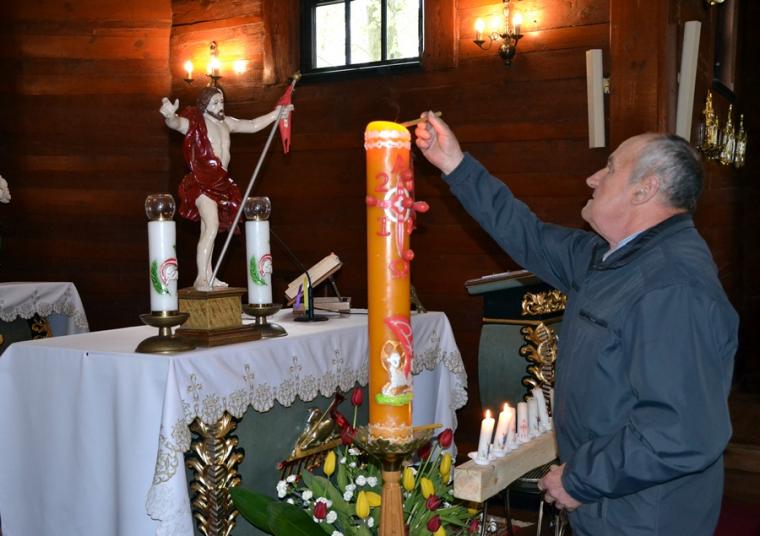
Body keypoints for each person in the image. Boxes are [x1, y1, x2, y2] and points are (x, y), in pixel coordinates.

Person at [414, 111, 738, 535]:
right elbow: (526, 233)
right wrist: (455, 164)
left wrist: (580, 479)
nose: (593, 178)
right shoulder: (611, 257)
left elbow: (680, 430)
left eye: (610, 168)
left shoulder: (672, 286)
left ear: (645, 188)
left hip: (643, 514)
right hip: (610, 502)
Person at [159, 87, 291, 290]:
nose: (220, 106)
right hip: (201, 183)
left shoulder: (226, 123)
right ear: (204, 105)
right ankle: (201, 278)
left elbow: (252, 125)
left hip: (220, 183)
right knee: (211, 226)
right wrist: (170, 116)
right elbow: (177, 124)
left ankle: (208, 275)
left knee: (208, 230)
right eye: (215, 103)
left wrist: (277, 114)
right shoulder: (196, 123)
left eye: (221, 102)